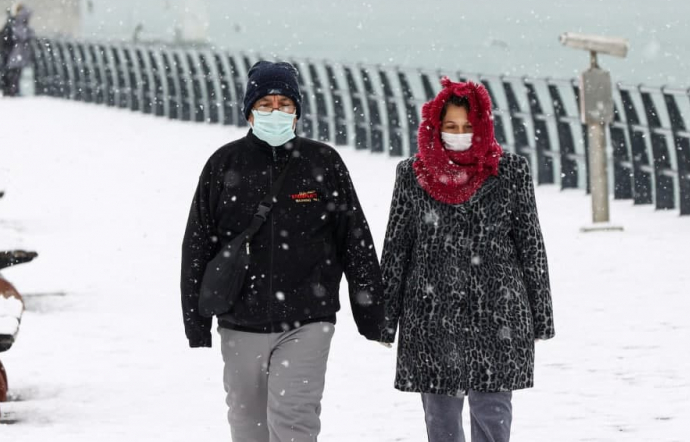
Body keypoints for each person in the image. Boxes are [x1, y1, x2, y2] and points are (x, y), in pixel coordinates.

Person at [181, 60, 385, 442]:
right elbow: (197, 244)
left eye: (285, 104)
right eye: (266, 103)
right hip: (240, 320)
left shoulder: (323, 162)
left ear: (298, 110)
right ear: (249, 111)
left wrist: (373, 314)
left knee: (294, 424)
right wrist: (196, 321)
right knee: (248, 427)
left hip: (308, 319)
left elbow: (354, 239)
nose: (275, 112)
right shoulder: (224, 164)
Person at [380, 78, 554, 442]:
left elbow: (530, 246)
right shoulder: (412, 175)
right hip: (431, 316)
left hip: (498, 311)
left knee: (493, 417)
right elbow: (397, 249)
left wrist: (541, 318)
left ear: (483, 127)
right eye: (451, 127)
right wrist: (385, 321)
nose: (459, 135)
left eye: (468, 127)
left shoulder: (511, 172)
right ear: (435, 127)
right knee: (440, 424)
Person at [3, 3, 33, 97]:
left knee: (12, 72)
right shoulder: (20, 21)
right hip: (17, 52)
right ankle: (13, 90)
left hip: (13, 52)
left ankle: (10, 90)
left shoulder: (13, 20)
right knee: (16, 72)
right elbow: (23, 35)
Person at [0, 8, 16, 96]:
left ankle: (6, 89)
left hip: (5, 51)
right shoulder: (11, 26)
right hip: (10, 52)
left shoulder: (5, 26)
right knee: (11, 72)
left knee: (5, 72)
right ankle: (10, 90)